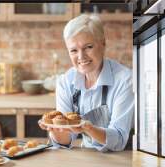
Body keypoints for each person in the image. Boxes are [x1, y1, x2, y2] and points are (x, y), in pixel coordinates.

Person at [39, 14, 134, 152]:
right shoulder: (66, 82)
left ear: (103, 44)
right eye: (73, 50)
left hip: (124, 158)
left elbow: (119, 140)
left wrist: (88, 128)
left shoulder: (125, 80)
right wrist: (55, 131)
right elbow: (66, 140)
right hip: (89, 156)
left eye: (88, 47)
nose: (81, 57)